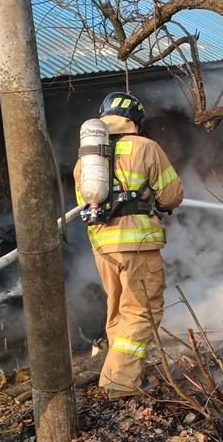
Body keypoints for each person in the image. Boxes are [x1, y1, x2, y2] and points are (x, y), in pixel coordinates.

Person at [73, 92, 184, 399]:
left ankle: (121, 372)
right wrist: (152, 200)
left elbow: (86, 203)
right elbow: (172, 195)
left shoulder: (86, 160)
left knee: (119, 309)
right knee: (141, 310)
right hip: (138, 243)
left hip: (103, 246)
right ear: (135, 119)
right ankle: (120, 383)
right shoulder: (146, 147)